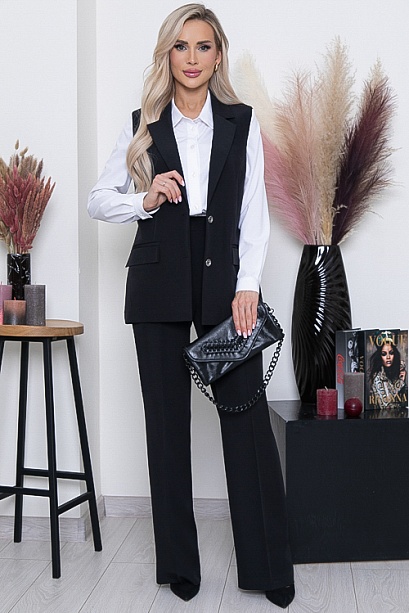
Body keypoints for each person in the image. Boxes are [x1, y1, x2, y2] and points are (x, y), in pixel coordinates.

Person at [88, 3, 294, 607]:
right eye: (181, 46)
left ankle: (268, 567)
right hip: (158, 280)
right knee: (166, 424)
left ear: (218, 54)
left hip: (225, 280)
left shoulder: (240, 122)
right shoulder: (145, 125)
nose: (193, 58)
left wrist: (248, 283)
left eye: (203, 46)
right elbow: (99, 199)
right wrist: (145, 199)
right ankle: (179, 565)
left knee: (245, 417)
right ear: (168, 56)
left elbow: (254, 210)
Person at [368, 332, 407, 409]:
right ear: (380, 356)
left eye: (391, 353)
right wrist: (400, 381)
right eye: (384, 354)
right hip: (383, 415)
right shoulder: (378, 377)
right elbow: (385, 403)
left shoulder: (398, 371)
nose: (388, 357)